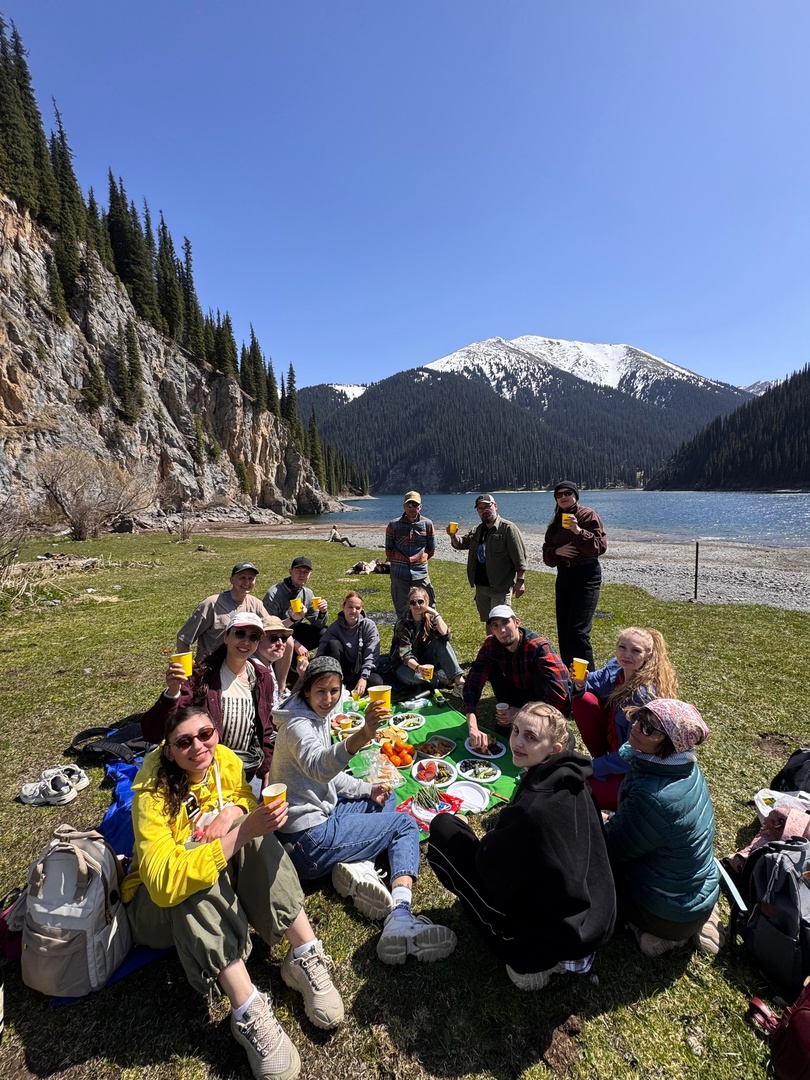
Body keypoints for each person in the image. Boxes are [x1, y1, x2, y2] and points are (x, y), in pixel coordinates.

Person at [123, 705, 344, 1080]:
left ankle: (304, 953)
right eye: (184, 742)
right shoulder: (152, 795)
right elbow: (162, 884)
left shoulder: (223, 759)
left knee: (250, 825)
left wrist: (235, 814)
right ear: (169, 751)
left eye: (205, 734)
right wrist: (238, 833)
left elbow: (243, 796)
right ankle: (246, 1008)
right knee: (192, 865)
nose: (198, 747)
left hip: (214, 880)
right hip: (154, 912)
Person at [269, 655, 457, 966]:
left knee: (384, 797)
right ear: (306, 691)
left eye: (334, 690)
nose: (328, 699)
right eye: (320, 691)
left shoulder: (312, 715)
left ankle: (360, 868)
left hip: (318, 821)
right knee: (404, 825)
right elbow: (319, 767)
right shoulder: (298, 726)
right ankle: (400, 915)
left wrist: (368, 789)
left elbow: (329, 777)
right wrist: (363, 735)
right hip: (307, 841)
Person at [427, 702, 616, 990]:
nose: (517, 742)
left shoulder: (533, 808)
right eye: (516, 731)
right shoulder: (575, 780)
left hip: (556, 936)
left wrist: (489, 840)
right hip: (597, 917)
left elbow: (491, 870)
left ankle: (535, 963)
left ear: (554, 749)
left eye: (530, 737)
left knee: (444, 831)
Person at [603, 699, 721, 958]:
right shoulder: (686, 768)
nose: (636, 726)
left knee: (598, 874)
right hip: (699, 890)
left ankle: (660, 936)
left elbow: (611, 850)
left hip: (669, 912)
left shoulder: (653, 797)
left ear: (670, 743)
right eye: (638, 718)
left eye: (649, 728)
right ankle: (704, 918)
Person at [141, 612, 276, 785]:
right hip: (205, 769)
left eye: (254, 637)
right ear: (226, 637)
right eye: (240, 633)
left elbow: (266, 728)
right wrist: (173, 692)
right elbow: (152, 731)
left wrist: (267, 767)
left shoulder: (262, 677)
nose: (246, 641)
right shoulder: (201, 676)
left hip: (244, 768)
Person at [572, 627, 679, 810]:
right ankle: (604, 766)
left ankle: (615, 786)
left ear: (648, 655)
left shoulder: (644, 696)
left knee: (581, 789)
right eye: (622, 647)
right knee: (584, 700)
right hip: (619, 751)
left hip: (639, 769)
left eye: (635, 651)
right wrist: (580, 684)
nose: (627, 655)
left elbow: (635, 752)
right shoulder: (617, 669)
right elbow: (593, 682)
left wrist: (592, 766)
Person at [462, 605, 570, 750]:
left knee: (542, 676)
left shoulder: (538, 646)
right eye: (495, 625)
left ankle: (528, 722)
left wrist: (519, 712)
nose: (502, 630)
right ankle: (512, 721)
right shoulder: (491, 644)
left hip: (541, 700)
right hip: (516, 690)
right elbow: (472, 684)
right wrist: (472, 726)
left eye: (505, 622)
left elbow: (561, 697)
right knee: (490, 665)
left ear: (517, 622)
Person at [541, 481, 607, 669]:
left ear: (575, 495)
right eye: (559, 495)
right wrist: (557, 551)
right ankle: (569, 676)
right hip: (564, 576)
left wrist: (578, 531)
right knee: (564, 631)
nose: (563, 497)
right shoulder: (555, 524)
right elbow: (547, 555)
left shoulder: (588, 515)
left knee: (578, 631)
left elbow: (599, 547)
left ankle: (587, 679)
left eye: (567, 493)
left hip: (586, 575)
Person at [447, 494, 527, 621]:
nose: (484, 510)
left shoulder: (508, 529)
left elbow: (520, 557)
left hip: (500, 588)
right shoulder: (478, 530)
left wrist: (520, 581)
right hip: (481, 588)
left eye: (487, 506)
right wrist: (452, 536)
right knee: (489, 622)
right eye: (480, 508)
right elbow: (461, 544)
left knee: (501, 622)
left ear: (495, 506)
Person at [175, 561, 268, 661]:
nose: (247, 582)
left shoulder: (256, 604)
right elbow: (183, 638)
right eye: (242, 578)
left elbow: (271, 629)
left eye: (251, 578)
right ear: (231, 580)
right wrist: (186, 668)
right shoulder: (212, 604)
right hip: (210, 665)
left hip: (240, 664)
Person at [389, 586, 465, 698]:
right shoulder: (403, 624)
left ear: (427, 602)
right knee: (413, 676)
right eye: (413, 602)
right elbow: (405, 656)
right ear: (409, 604)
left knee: (440, 642)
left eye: (420, 601)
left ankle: (460, 684)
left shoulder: (430, 617)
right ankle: (441, 677)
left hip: (425, 659)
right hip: (405, 666)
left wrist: (436, 614)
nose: (417, 605)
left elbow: (446, 636)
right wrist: (418, 668)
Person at [263, 556, 328, 674]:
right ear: (290, 571)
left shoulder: (307, 593)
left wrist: (322, 613)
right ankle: (282, 662)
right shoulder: (275, 594)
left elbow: (318, 624)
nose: (302, 575)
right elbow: (269, 628)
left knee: (325, 632)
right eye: (299, 571)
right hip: (275, 635)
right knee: (285, 640)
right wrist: (296, 643)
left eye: (306, 572)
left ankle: (299, 660)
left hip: (294, 629)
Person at [319, 590, 383, 696]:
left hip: (360, 670)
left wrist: (364, 677)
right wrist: (315, 670)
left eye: (357, 608)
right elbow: (322, 648)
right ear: (343, 607)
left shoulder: (369, 626)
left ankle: (343, 689)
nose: (353, 611)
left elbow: (372, 653)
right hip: (341, 670)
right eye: (350, 607)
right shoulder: (335, 627)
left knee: (376, 682)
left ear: (361, 610)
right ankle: (335, 683)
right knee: (333, 644)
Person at [385, 490, 436, 617]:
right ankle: (404, 629)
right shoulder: (393, 525)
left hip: (420, 572)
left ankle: (428, 628)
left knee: (428, 605)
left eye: (415, 505)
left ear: (420, 506)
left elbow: (431, 549)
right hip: (399, 573)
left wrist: (420, 559)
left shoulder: (427, 524)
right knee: (401, 608)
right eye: (409, 505)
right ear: (404, 506)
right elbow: (388, 550)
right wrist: (400, 561)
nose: (412, 508)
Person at [252, 615, 294, 708]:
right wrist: (302, 679)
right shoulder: (259, 673)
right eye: (273, 638)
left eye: (284, 638)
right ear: (258, 640)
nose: (280, 643)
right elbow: (273, 712)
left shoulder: (265, 660)